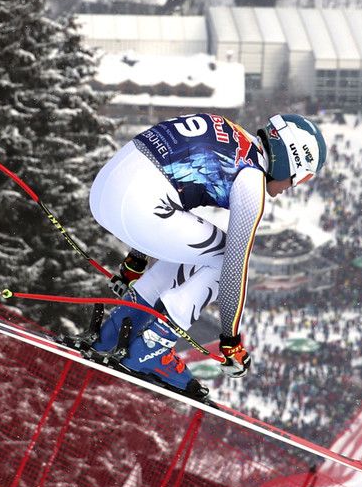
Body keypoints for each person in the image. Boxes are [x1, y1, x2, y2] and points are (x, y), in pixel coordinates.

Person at [83, 113, 326, 402]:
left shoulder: (235, 136)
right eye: (300, 178)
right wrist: (230, 341)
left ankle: (115, 331)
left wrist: (135, 261)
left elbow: (164, 178)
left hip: (104, 194)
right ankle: (153, 346)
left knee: (200, 250)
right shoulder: (251, 180)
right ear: (289, 159)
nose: (290, 188)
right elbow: (235, 268)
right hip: (137, 205)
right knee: (223, 256)